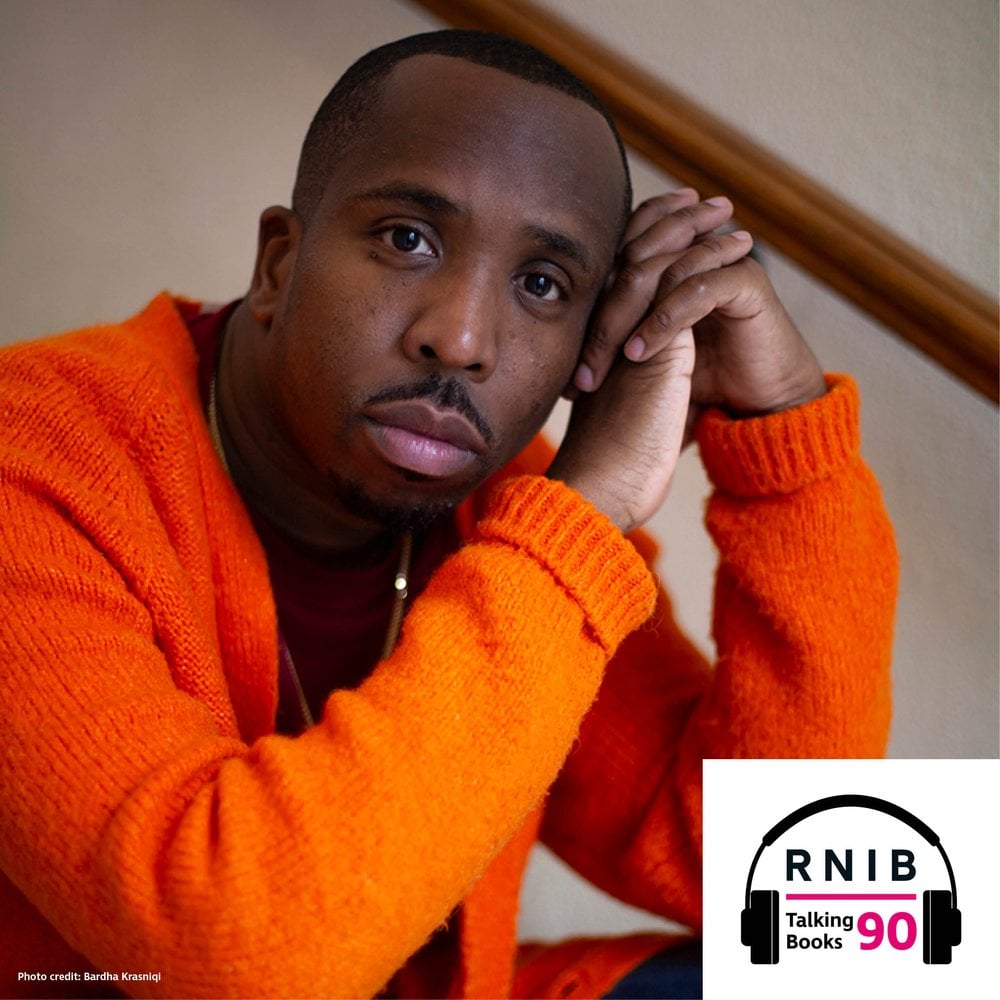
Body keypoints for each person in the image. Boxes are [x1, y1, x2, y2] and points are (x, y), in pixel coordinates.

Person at [0, 28, 896, 1000]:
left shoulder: (507, 510)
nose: (461, 339)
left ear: (589, 344)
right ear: (277, 264)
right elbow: (234, 960)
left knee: (889, 946)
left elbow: (787, 875)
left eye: (541, 285)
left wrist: (784, 443)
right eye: (407, 239)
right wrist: (583, 518)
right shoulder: (32, 458)